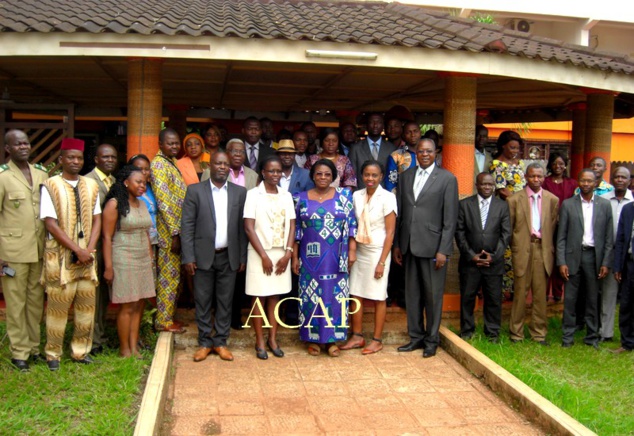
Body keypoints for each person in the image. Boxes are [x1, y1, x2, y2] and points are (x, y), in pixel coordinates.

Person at [393, 138, 459, 358]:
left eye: (428, 151)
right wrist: (397, 245)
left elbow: (450, 219)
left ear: (436, 153)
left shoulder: (447, 179)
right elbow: (401, 213)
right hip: (409, 245)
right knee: (412, 296)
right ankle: (416, 337)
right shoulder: (405, 177)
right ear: (415, 153)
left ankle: (432, 340)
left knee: (432, 296)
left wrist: (444, 250)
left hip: (433, 248)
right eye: (420, 151)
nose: (424, 155)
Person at [40, 138, 101, 371]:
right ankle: (53, 354)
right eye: (70, 157)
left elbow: (97, 219)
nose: (75, 161)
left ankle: (80, 351)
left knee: (86, 306)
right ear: (61, 160)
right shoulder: (50, 185)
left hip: (87, 256)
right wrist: (77, 250)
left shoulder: (91, 185)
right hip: (61, 256)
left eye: (79, 157)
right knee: (58, 307)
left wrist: (88, 249)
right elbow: (50, 224)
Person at [181, 151, 247, 362]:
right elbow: (187, 226)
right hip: (202, 256)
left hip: (229, 256)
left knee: (225, 301)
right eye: (218, 163)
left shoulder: (239, 192)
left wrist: (242, 257)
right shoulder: (195, 191)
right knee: (202, 300)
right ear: (209, 166)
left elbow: (242, 228)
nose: (222, 167)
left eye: (225, 164)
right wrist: (188, 257)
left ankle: (220, 341)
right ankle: (204, 342)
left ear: (230, 167)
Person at [292, 159, 357, 357]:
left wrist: (352, 251)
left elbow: (352, 225)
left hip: (336, 257)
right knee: (310, 297)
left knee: (334, 297)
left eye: (327, 174)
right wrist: (294, 257)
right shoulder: (300, 198)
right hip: (309, 259)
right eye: (319, 174)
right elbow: (295, 231)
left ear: (333, 177)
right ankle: (312, 339)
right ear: (312, 176)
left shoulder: (345, 196)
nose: (323, 177)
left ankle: (332, 340)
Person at [0, 129, 49, 372]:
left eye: (26, 143)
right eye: (17, 144)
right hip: (12, 251)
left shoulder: (41, 173)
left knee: (35, 302)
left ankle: (33, 348)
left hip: (39, 250)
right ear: (8, 148)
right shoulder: (2, 176)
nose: (23, 147)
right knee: (16, 302)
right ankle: (19, 352)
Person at [340, 160, 396, 354]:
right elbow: (351, 224)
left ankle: (377, 339)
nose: (370, 179)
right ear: (361, 176)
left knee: (379, 296)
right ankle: (357, 336)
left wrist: (382, 262)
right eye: (367, 175)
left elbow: (390, 233)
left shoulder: (388, 197)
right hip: (360, 251)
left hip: (378, 252)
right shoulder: (356, 195)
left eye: (374, 175)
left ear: (381, 177)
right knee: (355, 293)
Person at [244, 156, 296, 359]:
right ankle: (259, 341)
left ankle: (273, 339)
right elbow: (248, 228)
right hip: (260, 253)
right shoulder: (253, 195)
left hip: (281, 253)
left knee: (275, 297)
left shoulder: (286, 195)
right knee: (259, 298)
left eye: (278, 171)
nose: (275, 174)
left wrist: (288, 253)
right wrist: (264, 256)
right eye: (271, 171)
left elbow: (292, 225)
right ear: (263, 173)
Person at [102, 165, 155, 358]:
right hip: (123, 257)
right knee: (126, 304)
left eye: (144, 182)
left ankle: (134, 346)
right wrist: (108, 267)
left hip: (142, 258)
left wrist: (150, 258)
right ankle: (124, 350)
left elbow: (146, 232)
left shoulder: (141, 203)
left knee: (138, 304)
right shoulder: (115, 204)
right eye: (138, 182)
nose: (142, 185)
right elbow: (106, 237)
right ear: (126, 182)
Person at [558, 169, 613, 348]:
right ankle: (567, 337)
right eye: (583, 180)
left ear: (596, 183)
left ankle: (592, 337)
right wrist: (562, 261)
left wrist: (605, 262)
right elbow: (561, 236)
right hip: (573, 256)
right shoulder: (567, 204)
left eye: (590, 181)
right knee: (571, 299)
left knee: (592, 298)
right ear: (578, 182)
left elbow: (608, 238)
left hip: (594, 257)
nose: (586, 184)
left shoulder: (605, 205)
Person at [507, 163, 558, 345]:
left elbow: (552, 226)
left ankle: (538, 333)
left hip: (542, 250)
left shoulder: (552, 200)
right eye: (532, 176)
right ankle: (516, 333)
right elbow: (510, 228)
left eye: (539, 176)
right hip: (522, 249)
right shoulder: (514, 200)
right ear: (526, 177)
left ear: (544, 177)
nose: (536, 179)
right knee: (520, 292)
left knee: (540, 293)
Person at [455, 173, 511, 342]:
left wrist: (493, 256)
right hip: (470, 262)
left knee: (493, 298)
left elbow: (506, 234)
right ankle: (467, 331)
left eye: (490, 184)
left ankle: (492, 333)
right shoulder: (464, 205)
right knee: (467, 298)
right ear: (476, 185)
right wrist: (471, 255)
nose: (487, 187)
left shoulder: (502, 206)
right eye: (483, 184)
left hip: (493, 263)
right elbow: (459, 232)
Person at [150, 128, 187, 333]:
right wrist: (174, 233)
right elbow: (163, 201)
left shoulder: (170, 162)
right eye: (170, 143)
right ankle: (163, 322)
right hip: (168, 233)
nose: (174, 146)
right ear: (160, 144)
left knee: (175, 277)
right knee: (168, 277)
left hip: (177, 230)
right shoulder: (158, 165)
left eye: (176, 143)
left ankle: (168, 316)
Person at [84, 143, 117, 355]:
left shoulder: (114, 181)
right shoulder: (87, 181)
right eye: (105, 157)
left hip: (110, 245)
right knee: (93, 295)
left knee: (104, 293)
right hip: (93, 245)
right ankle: (92, 341)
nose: (110, 160)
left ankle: (101, 335)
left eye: (113, 157)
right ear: (96, 159)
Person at [276, 140, 313, 325]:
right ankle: (274, 314)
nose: (286, 156)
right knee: (276, 271)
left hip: (298, 230)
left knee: (295, 271)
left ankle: (291, 314)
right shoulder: (270, 174)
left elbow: (310, 201)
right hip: (274, 230)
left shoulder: (306, 175)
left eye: (289, 153)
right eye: (282, 153)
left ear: (294, 155)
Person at [490, 130, 526, 300]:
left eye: (517, 148)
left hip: (523, 212)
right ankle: (504, 288)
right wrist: (519, 202)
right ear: (503, 146)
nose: (514, 151)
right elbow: (501, 190)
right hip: (507, 211)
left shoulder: (520, 164)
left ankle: (516, 288)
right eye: (511, 147)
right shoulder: (497, 164)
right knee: (506, 250)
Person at [600, 167, 633, 341]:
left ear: (629, 181)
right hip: (610, 254)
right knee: (609, 294)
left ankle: (628, 335)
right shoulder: (603, 200)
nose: (620, 179)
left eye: (624, 177)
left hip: (628, 257)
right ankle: (606, 333)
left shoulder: (632, 201)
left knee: (628, 298)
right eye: (617, 176)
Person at [541, 153, 577, 302]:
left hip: (566, 226)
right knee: (547, 257)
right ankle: (543, 291)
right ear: (550, 165)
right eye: (555, 163)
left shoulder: (572, 183)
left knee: (561, 257)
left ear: (565, 165)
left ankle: (557, 292)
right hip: (547, 225)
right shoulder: (545, 182)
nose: (558, 166)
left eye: (561, 163)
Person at [349, 113, 396, 189]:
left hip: (384, 195)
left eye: (378, 122)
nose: (375, 125)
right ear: (366, 126)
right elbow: (351, 176)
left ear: (383, 126)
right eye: (372, 122)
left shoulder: (391, 148)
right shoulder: (355, 149)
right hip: (362, 194)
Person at [613, 199, 634, 353]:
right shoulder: (627, 209)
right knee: (626, 303)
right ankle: (627, 342)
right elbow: (620, 239)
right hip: (629, 264)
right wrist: (618, 266)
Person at [385, 121, 420, 193]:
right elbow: (391, 183)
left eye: (415, 131)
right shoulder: (396, 155)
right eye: (408, 132)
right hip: (404, 199)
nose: (412, 135)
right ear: (403, 135)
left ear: (420, 132)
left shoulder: (427, 154)